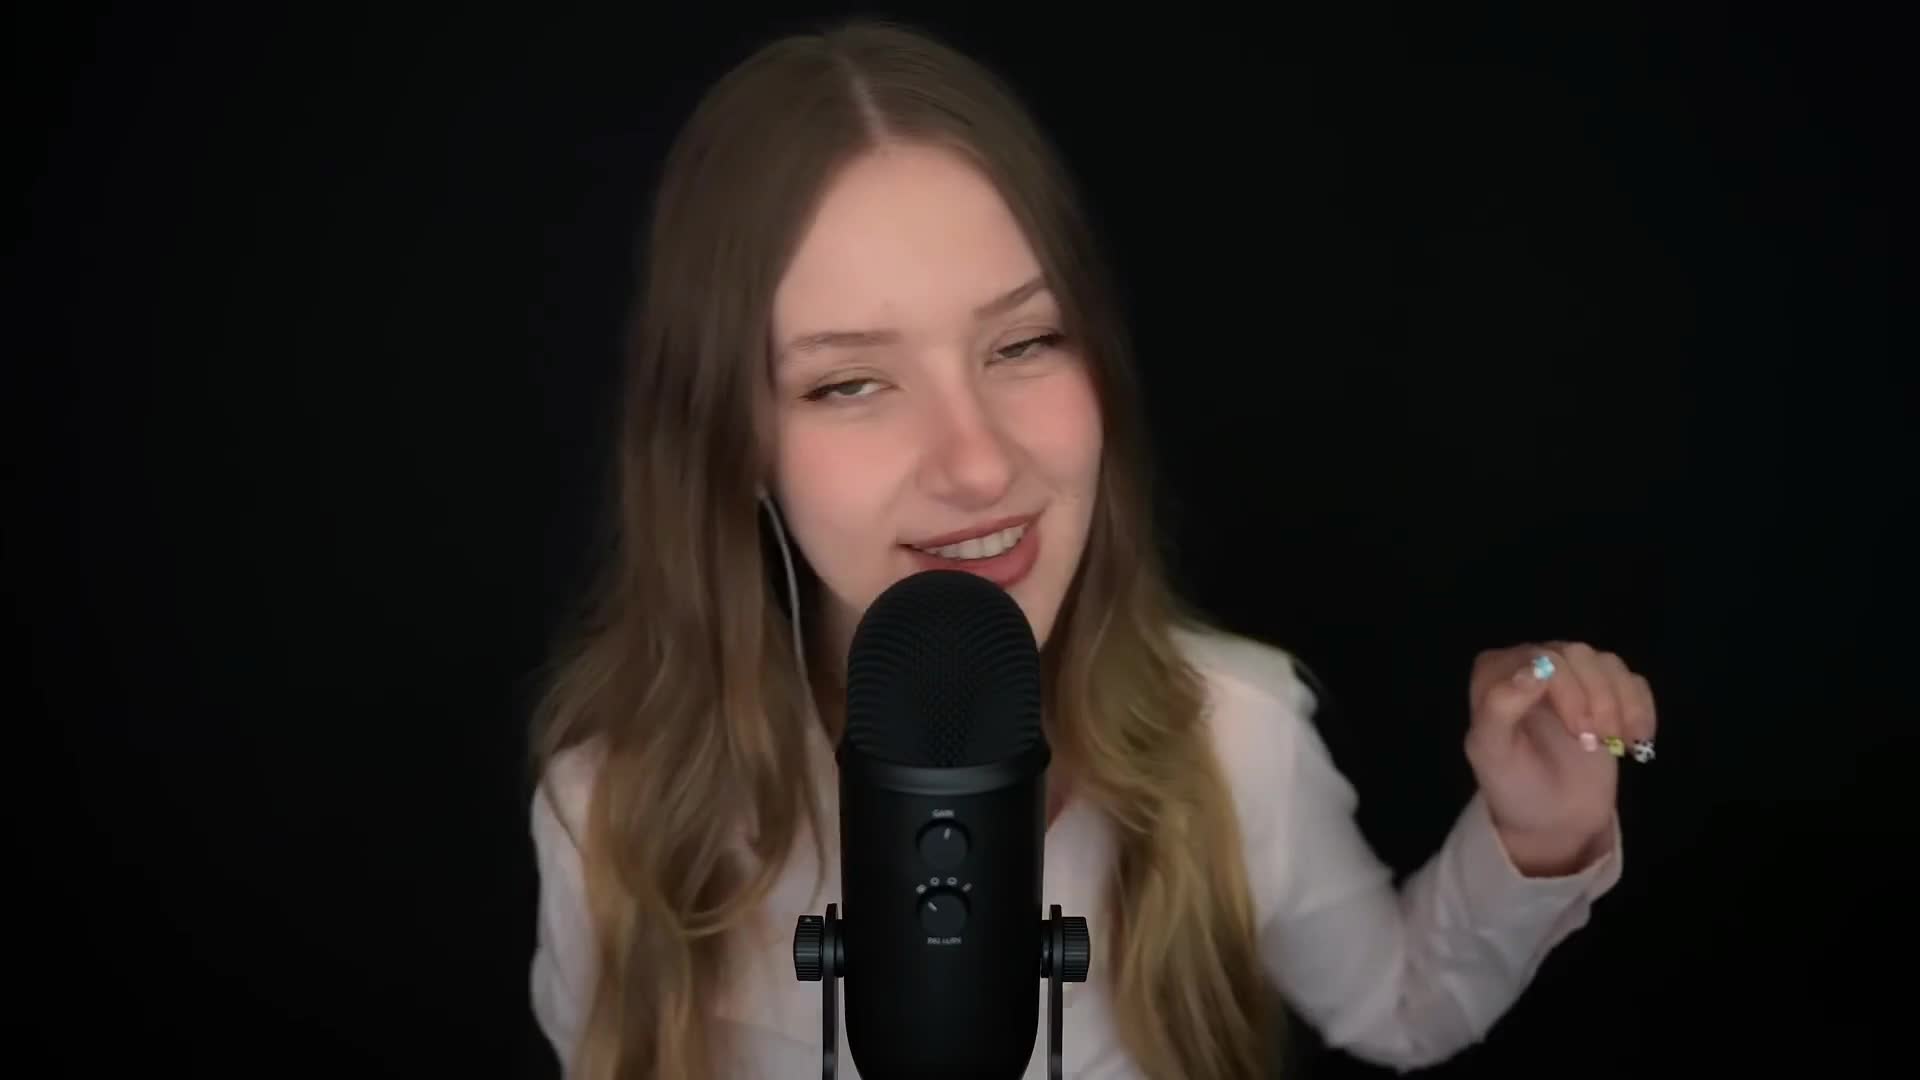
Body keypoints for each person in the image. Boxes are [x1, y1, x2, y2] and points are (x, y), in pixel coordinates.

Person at [526, 18, 1658, 1080]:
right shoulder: (614, 809)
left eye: (1024, 342)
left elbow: (1403, 1008)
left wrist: (1537, 836)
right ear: (731, 444)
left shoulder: (1236, 736)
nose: (978, 464)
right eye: (851, 383)